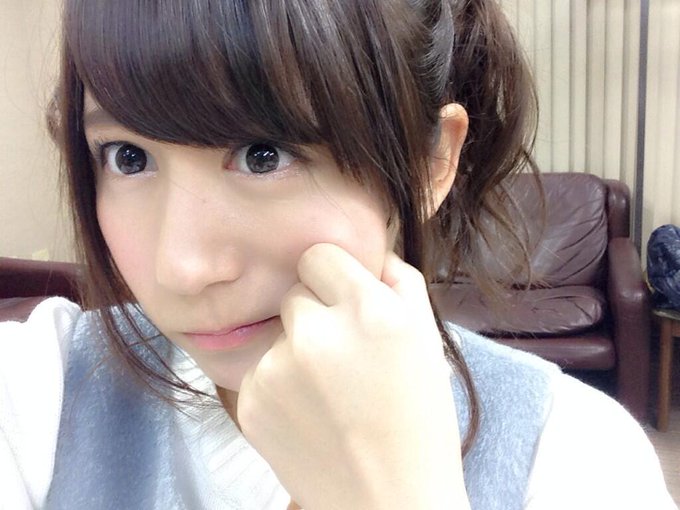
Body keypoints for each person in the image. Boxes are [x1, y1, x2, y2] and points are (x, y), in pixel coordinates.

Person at [1, 0, 675, 508]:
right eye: (129, 157)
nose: (182, 268)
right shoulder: (37, 390)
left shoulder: (576, 458)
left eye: (264, 155)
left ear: (430, 162)